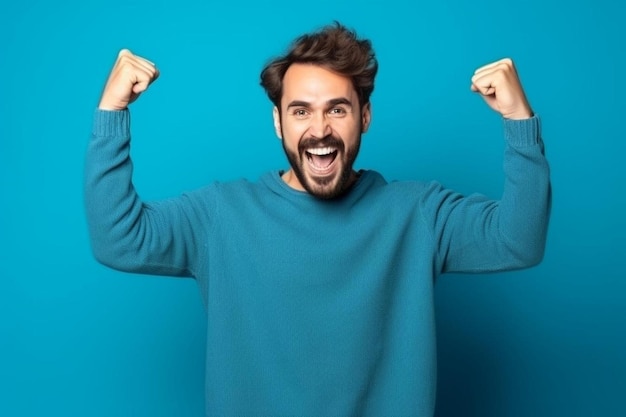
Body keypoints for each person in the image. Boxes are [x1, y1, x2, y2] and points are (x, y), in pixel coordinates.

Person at [85, 22, 551, 417]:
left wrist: (518, 118)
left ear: (364, 116)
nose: (320, 130)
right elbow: (119, 240)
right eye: (301, 111)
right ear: (278, 122)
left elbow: (518, 240)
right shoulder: (221, 215)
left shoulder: (419, 214)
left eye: (338, 109)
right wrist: (112, 110)